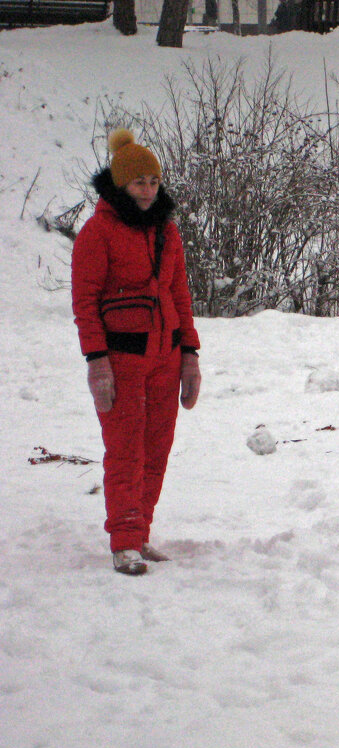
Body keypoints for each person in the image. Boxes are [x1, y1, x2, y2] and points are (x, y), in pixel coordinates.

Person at [71, 129, 202, 576]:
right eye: (139, 181)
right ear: (121, 183)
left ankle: (141, 532)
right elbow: (85, 303)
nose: (148, 189)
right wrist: (96, 361)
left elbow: (180, 294)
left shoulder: (167, 231)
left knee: (156, 447)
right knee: (125, 448)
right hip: (121, 358)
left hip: (166, 355)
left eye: (153, 180)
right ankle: (123, 541)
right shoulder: (98, 232)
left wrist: (190, 354)